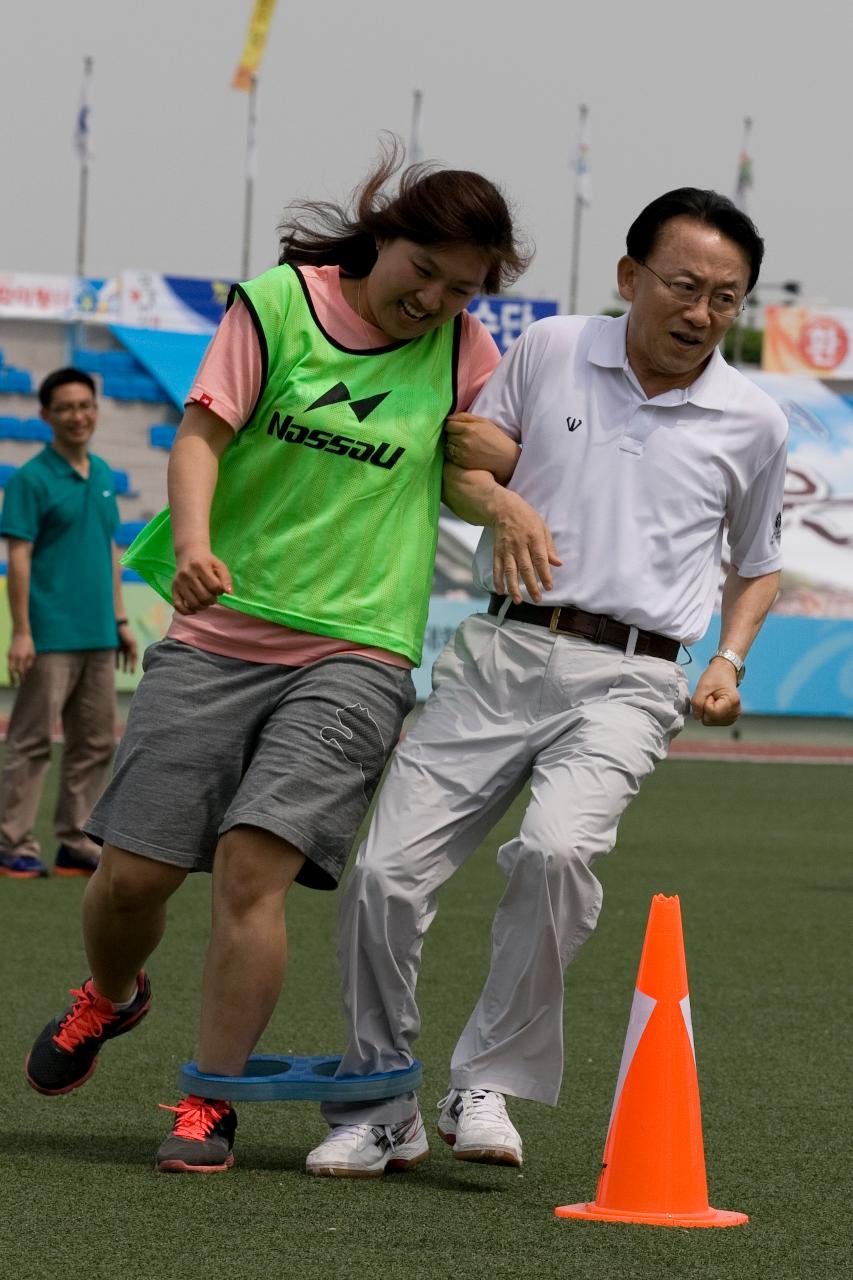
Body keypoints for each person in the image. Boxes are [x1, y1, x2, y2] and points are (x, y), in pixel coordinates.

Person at [24, 141, 529, 1174]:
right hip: (219, 629)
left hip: (358, 646)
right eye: (421, 269)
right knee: (132, 880)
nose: (433, 298)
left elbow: (464, 472)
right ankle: (110, 994)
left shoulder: (464, 353)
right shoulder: (278, 306)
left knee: (254, 865)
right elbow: (201, 436)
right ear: (383, 234)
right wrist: (197, 544)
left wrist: (507, 492)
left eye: (460, 286)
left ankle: (210, 1097)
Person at [305, 187, 789, 1178]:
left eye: (725, 297)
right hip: (501, 653)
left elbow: (759, 559)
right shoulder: (550, 349)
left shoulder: (753, 418)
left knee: (558, 852)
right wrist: (503, 506)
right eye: (683, 285)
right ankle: (380, 1097)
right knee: (383, 874)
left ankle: (483, 1077)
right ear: (629, 278)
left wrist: (729, 658)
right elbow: (462, 463)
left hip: (632, 675)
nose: (700, 312)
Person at [0, 368, 137, 880]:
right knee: (32, 742)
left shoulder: (101, 474)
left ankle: (75, 841)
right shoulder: (30, 480)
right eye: (65, 408)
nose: (78, 415)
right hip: (50, 636)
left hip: (100, 634)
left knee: (96, 743)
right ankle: (12, 842)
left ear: (96, 410)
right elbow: (19, 558)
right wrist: (21, 631)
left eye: (85, 405)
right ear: (45, 417)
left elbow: (107, 551)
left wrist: (121, 620)